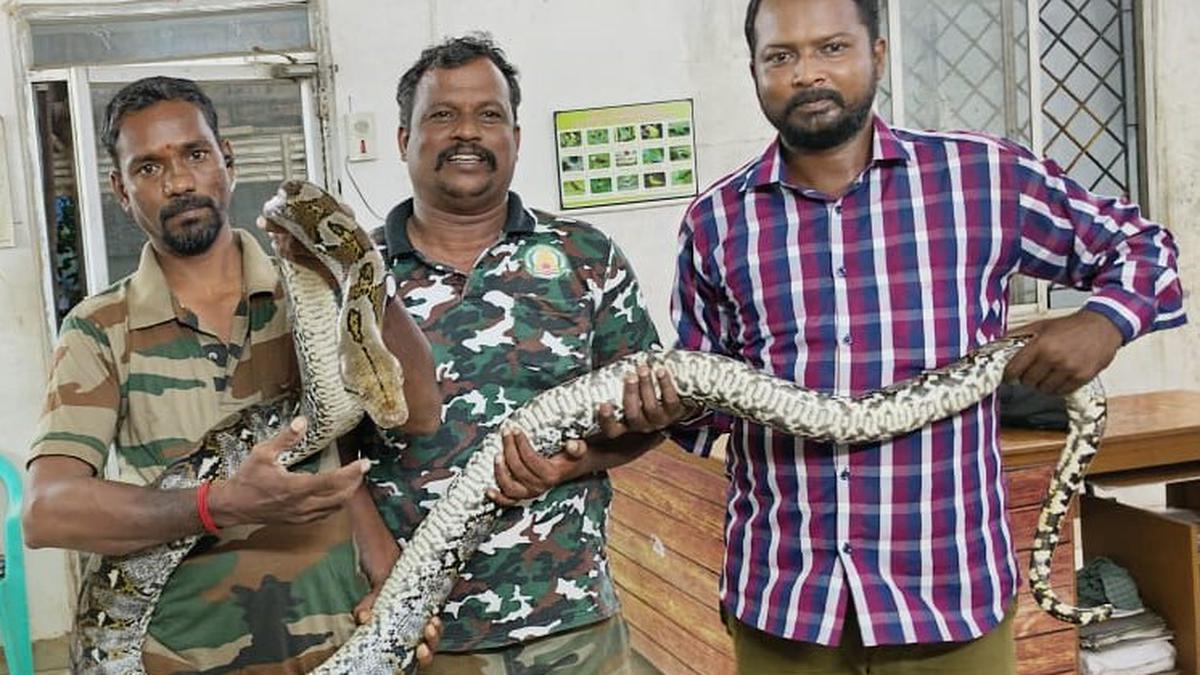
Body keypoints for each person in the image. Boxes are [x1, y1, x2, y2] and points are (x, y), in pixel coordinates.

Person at [669, 0, 1186, 672]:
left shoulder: (982, 178)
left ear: (878, 54)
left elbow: (1146, 249)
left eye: (832, 48)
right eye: (781, 56)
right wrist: (661, 408)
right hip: (785, 602)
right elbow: (703, 412)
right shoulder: (715, 222)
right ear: (755, 70)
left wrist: (1105, 320)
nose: (806, 73)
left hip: (948, 599)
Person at [23, 76, 443, 673]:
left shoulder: (309, 290)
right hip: (183, 656)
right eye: (147, 167)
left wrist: (355, 266)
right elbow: (48, 511)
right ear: (120, 190)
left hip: (336, 643)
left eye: (195, 154)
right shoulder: (99, 328)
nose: (178, 181)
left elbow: (407, 422)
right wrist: (219, 504)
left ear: (229, 162)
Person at [359, 34, 687, 674]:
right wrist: (384, 584)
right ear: (403, 139)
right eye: (442, 115)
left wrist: (573, 463)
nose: (467, 133)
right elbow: (327, 460)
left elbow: (650, 418)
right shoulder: (357, 279)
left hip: (573, 625)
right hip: (417, 636)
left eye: (489, 115)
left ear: (515, 133)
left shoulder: (584, 257)